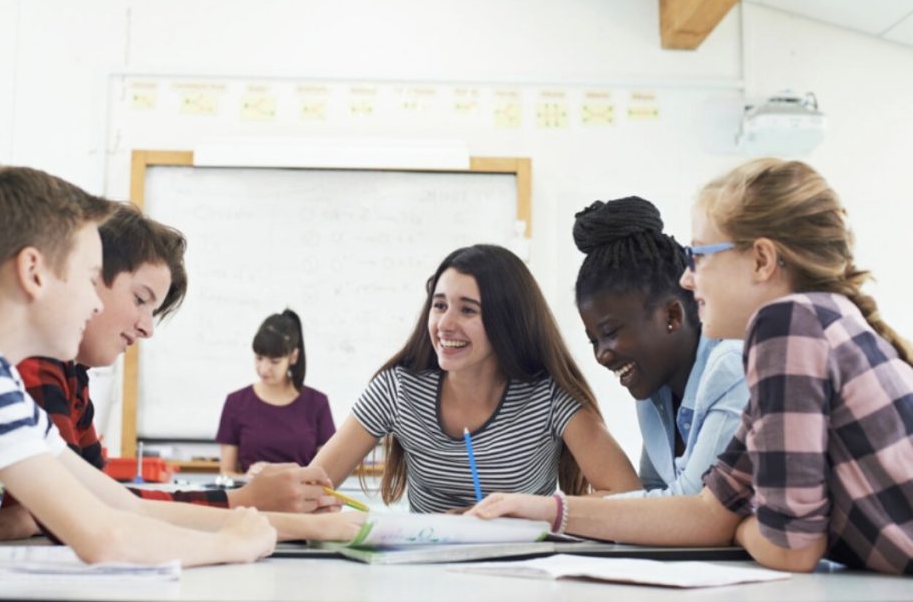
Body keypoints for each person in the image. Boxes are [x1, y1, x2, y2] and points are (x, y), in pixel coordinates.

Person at [469, 159, 913, 574]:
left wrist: (740, 529)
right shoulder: (808, 327)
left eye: (699, 256)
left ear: (761, 260)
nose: (686, 278)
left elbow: (791, 547)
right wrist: (546, 510)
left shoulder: (787, 325)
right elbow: (708, 510)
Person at [0, 166, 275, 571]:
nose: (94, 303)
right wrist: (233, 544)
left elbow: (124, 508)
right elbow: (104, 538)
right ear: (33, 272)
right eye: (90, 280)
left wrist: (248, 526)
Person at [0, 204, 345, 544]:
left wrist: (249, 504)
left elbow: (104, 500)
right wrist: (250, 507)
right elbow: (86, 513)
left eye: (153, 311)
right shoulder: (33, 361)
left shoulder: (72, 375)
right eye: (140, 300)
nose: (147, 328)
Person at [312, 244, 640, 513]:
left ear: (507, 321)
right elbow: (312, 488)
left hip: (523, 567)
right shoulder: (397, 389)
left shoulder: (549, 396)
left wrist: (528, 511)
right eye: (439, 306)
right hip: (426, 567)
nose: (445, 325)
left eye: (468, 310)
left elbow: (628, 497)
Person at [573, 196, 747, 496]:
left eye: (610, 333)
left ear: (671, 316)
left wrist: (556, 509)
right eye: (594, 340)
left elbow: (690, 505)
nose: (601, 355)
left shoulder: (732, 366)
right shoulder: (652, 392)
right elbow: (653, 491)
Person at [217, 309, 335, 478]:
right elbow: (226, 473)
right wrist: (246, 478)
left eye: (274, 361)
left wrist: (288, 475)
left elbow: (328, 473)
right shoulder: (236, 402)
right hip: (252, 494)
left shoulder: (317, 403)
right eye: (259, 358)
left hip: (302, 493)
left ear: (293, 357)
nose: (264, 369)